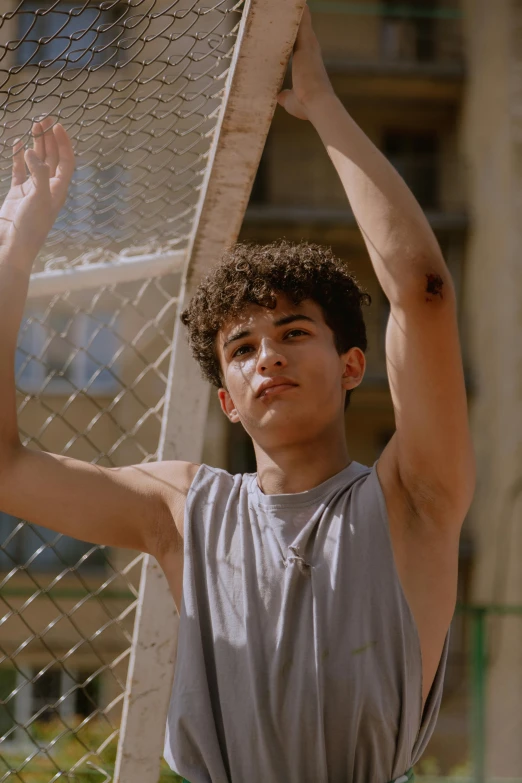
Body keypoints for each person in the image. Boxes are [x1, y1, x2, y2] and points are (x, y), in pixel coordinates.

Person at [0, 7, 474, 783]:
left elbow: (422, 290)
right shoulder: (185, 509)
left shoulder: (411, 496)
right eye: (241, 349)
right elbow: (6, 467)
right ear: (226, 400)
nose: (266, 360)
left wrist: (321, 104)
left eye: (292, 333)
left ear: (353, 364)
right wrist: (15, 253)